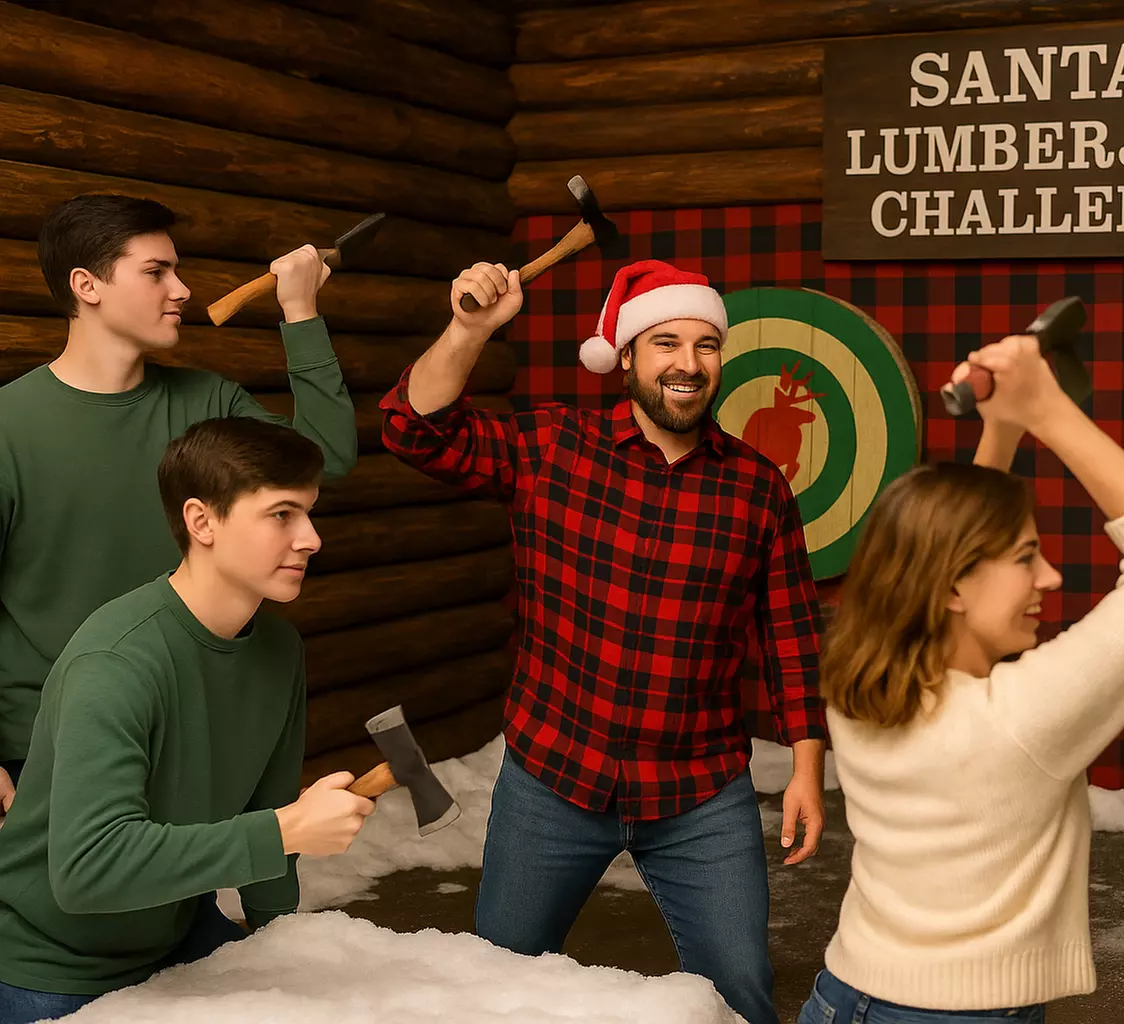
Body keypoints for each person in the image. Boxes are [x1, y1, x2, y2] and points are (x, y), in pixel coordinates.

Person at [379, 258, 827, 1024]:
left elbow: (790, 634)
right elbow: (413, 430)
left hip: (698, 791)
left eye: (705, 345)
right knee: (495, 989)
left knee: (744, 994)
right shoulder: (555, 445)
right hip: (554, 776)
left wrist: (808, 768)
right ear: (624, 356)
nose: (688, 363)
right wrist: (468, 329)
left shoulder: (757, 486)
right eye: (665, 343)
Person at [799, 331, 1124, 1023]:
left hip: (843, 998)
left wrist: (1001, 427)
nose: (1049, 577)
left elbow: (940, 555)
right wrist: (1047, 411)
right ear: (955, 586)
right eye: (1028, 557)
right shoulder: (1021, 717)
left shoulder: (862, 681)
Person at [0, 417, 376, 1024]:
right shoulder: (115, 662)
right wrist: (283, 831)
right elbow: (88, 870)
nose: (310, 538)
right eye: (282, 514)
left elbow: (269, 806)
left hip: (175, 936)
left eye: (308, 513)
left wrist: (283, 952)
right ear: (202, 521)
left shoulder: (280, 651)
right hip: (55, 963)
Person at [0, 194, 358, 813]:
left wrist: (300, 312)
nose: (182, 289)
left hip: (185, 723)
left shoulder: (208, 402)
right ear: (86, 285)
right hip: (45, 745)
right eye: (155, 271)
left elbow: (325, 458)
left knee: (182, 905)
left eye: (177, 269)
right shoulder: (9, 425)